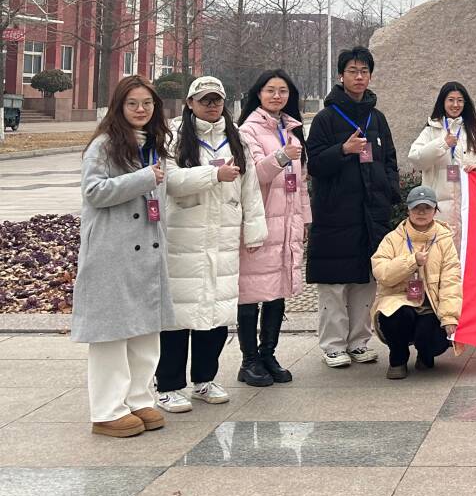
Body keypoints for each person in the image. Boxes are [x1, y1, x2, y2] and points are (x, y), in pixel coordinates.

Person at [155, 76, 268, 413]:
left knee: (217, 313)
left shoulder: (236, 139)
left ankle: (205, 379)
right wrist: (212, 176)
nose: (211, 105)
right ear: (190, 103)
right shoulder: (174, 137)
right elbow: (171, 181)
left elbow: (250, 189)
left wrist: (255, 231)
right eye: (204, 99)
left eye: (216, 99)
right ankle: (168, 385)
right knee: (178, 317)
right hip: (183, 238)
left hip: (223, 237)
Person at [71, 76, 173, 437]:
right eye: (133, 103)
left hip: (147, 248)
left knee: (146, 331)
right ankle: (107, 409)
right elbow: (94, 192)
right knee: (112, 334)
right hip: (113, 252)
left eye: (147, 103)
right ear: (119, 106)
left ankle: (140, 398)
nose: (141, 109)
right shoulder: (103, 145)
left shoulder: (154, 144)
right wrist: (144, 178)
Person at [306, 46, 401, 368]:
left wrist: (389, 191)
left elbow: (390, 160)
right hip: (336, 214)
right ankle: (333, 345)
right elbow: (314, 164)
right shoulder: (325, 118)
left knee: (365, 281)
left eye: (364, 71)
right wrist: (343, 150)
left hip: (372, 213)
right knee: (334, 284)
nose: (359, 77)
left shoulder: (378, 117)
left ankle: (359, 341)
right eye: (352, 71)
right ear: (341, 76)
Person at [235, 69, 313, 386]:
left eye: (283, 91)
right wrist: (280, 156)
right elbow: (253, 175)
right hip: (261, 223)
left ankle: (269, 354)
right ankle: (249, 360)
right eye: (270, 90)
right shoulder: (246, 131)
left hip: (288, 223)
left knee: (278, 291)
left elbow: (302, 183)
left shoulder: (292, 131)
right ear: (258, 94)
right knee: (251, 292)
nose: (277, 96)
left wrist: (305, 220)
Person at [370, 185, 461, 379]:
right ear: (408, 210)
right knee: (393, 317)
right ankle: (398, 358)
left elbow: (451, 281)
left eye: (427, 208)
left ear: (435, 210)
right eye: (416, 207)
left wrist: (449, 316)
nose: (421, 212)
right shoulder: (393, 238)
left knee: (432, 336)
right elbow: (381, 271)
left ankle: (425, 354)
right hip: (400, 301)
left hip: (431, 306)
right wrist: (411, 262)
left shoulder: (444, 240)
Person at [407, 82, 476, 235]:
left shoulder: (475, 132)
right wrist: (443, 144)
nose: (456, 104)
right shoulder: (431, 131)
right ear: (443, 102)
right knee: (441, 248)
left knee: (466, 248)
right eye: (451, 100)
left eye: (460, 100)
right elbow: (416, 159)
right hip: (438, 207)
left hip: (468, 204)